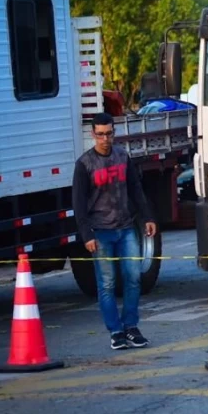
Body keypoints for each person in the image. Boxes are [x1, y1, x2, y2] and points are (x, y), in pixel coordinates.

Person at [72, 113, 157, 350]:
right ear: (92, 134)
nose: (105, 139)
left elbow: (135, 188)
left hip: (126, 228)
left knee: (133, 278)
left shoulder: (123, 157)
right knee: (107, 284)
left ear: (114, 132)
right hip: (100, 232)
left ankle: (131, 327)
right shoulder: (84, 164)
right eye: (100, 134)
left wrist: (148, 217)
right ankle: (116, 331)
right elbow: (78, 204)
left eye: (108, 133)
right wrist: (86, 234)